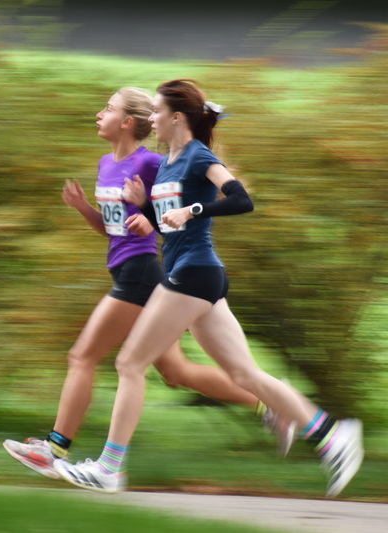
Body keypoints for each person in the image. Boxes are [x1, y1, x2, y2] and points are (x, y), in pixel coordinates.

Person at [51, 79, 363, 498]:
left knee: (129, 364)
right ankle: (332, 435)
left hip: (194, 274)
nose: (152, 120)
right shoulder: (166, 163)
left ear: (177, 118)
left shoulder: (198, 155)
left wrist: (193, 209)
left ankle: (110, 467)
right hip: (194, 274)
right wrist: (144, 207)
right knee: (244, 374)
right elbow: (167, 223)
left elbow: (239, 198)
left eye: (157, 113)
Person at [3, 87, 290, 483]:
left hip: (143, 271)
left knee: (83, 355)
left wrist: (154, 214)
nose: (98, 113)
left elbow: (177, 200)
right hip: (125, 269)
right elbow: (112, 230)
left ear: (127, 122)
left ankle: (53, 450)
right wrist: (85, 207)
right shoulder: (106, 164)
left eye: (107, 108)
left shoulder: (153, 162)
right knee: (176, 372)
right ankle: (271, 404)